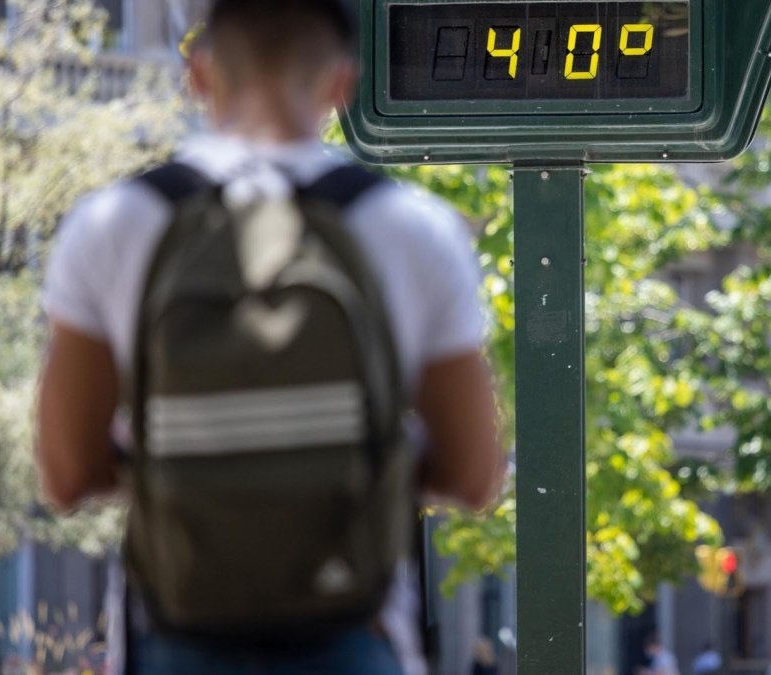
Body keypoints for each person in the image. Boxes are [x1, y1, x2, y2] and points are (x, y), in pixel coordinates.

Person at [35, 0, 503, 673]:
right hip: (353, 630)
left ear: (199, 74)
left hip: (176, 630)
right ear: (342, 83)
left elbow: (67, 472)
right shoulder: (412, 227)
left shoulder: (112, 223)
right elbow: (474, 472)